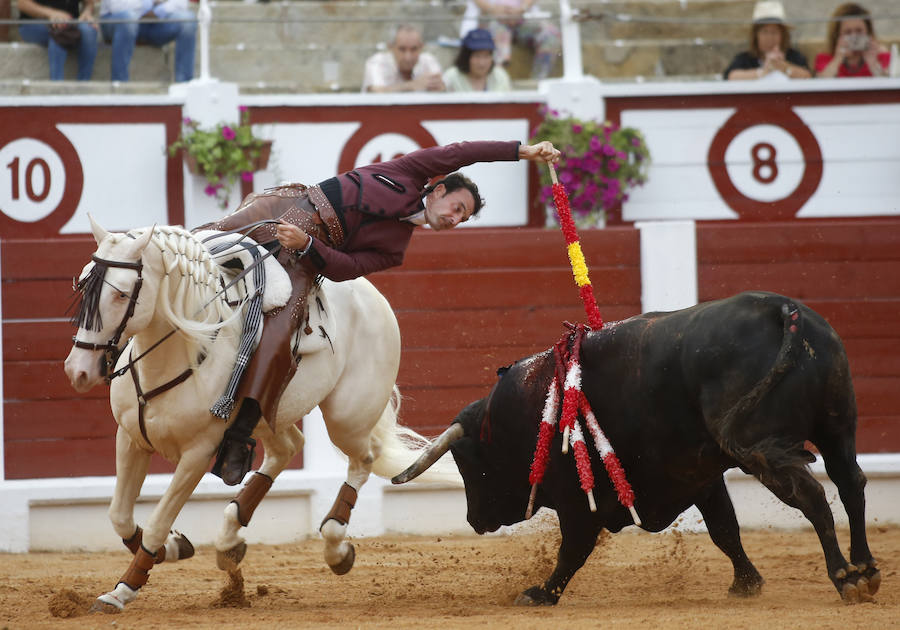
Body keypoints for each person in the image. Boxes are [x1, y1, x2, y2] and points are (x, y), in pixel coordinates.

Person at [202, 139, 561, 485]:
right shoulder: (409, 171)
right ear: (438, 191)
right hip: (288, 207)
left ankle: (240, 434)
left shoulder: (395, 249)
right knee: (200, 242)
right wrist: (522, 152)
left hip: (301, 257)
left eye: (462, 218)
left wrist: (308, 244)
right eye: (457, 208)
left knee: (282, 331)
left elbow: (347, 268)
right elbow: (462, 152)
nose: (455, 219)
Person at [460, 0, 561, 80]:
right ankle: (497, 80)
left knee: (551, 35)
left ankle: (539, 82)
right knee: (498, 32)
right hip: (489, 18)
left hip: (523, 17)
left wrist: (521, 9)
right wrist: (493, 10)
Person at [99, 0, 197, 82]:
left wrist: (160, 10)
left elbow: (181, 3)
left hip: (154, 21)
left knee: (188, 20)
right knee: (128, 18)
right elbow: (117, 7)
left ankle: (184, 85)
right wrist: (150, 3)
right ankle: (119, 85)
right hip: (116, 20)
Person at [723, 0, 811, 81]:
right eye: (765, 32)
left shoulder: (793, 56)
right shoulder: (745, 58)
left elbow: (808, 76)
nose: (769, 37)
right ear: (756, 35)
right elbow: (731, 76)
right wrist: (763, 71)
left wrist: (783, 66)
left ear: (783, 35)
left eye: (774, 32)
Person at [18, 0, 98, 81]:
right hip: (34, 23)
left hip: (70, 23)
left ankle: (84, 83)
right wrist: (51, 13)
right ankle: (56, 84)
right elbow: (23, 4)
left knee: (89, 30)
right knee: (60, 33)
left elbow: (89, 3)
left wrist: (87, 12)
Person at [361, 24, 444, 93]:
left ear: (421, 47)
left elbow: (443, 90)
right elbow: (376, 92)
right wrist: (412, 85)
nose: (408, 57)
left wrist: (441, 88)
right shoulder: (377, 62)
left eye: (414, 49)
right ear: (390, 47)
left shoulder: (428, 61)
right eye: (402, 49)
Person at [815, 3, 889, 78]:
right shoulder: (825, 57)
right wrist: (837, 59)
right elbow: (820, 82)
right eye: (847, 32)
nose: (854, 36)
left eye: (859, 31)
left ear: (868, 32)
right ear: (837, 35)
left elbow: (889, 82)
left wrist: (874, 64)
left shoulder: (881, 55)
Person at [443, 28, 512, 92]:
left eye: (486, 56)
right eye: (477, 56)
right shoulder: (451, 77)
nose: (482, 63)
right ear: (466, 57)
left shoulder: (499, 76)